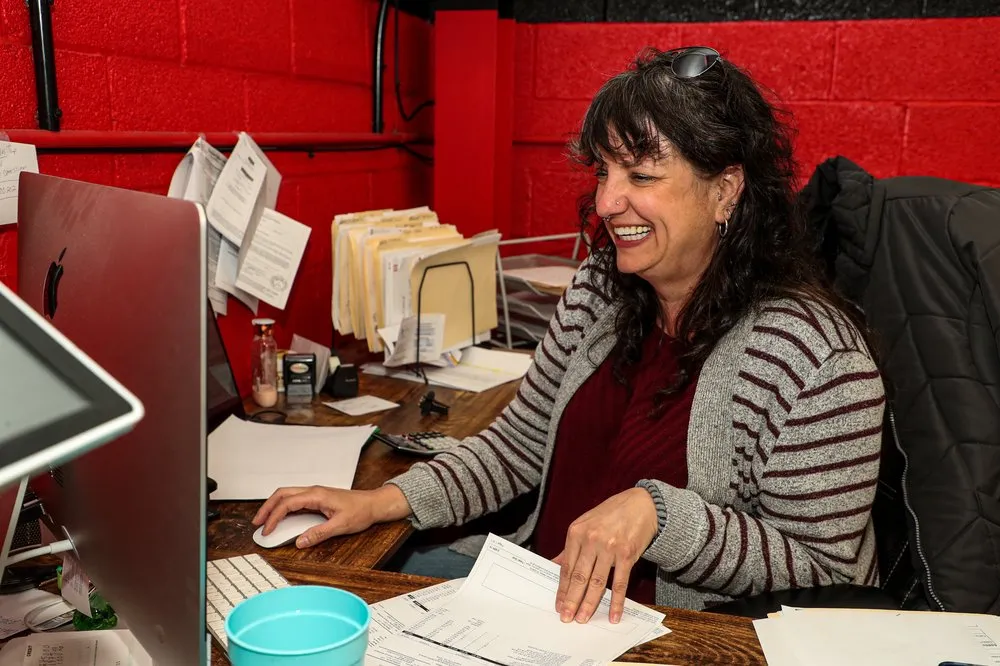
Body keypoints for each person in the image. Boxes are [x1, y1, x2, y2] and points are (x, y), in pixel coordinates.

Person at [254, 46, 885, 624]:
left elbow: (822, 566)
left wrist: (660, 518)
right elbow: (519, 448)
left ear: (726, 191)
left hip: (661, 633)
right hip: (531, 589)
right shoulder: (599, 291)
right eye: (605, 172)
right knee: (305, 600)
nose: (607, 202)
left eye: (640, 177)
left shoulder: (817, 361)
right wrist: (384, 501)